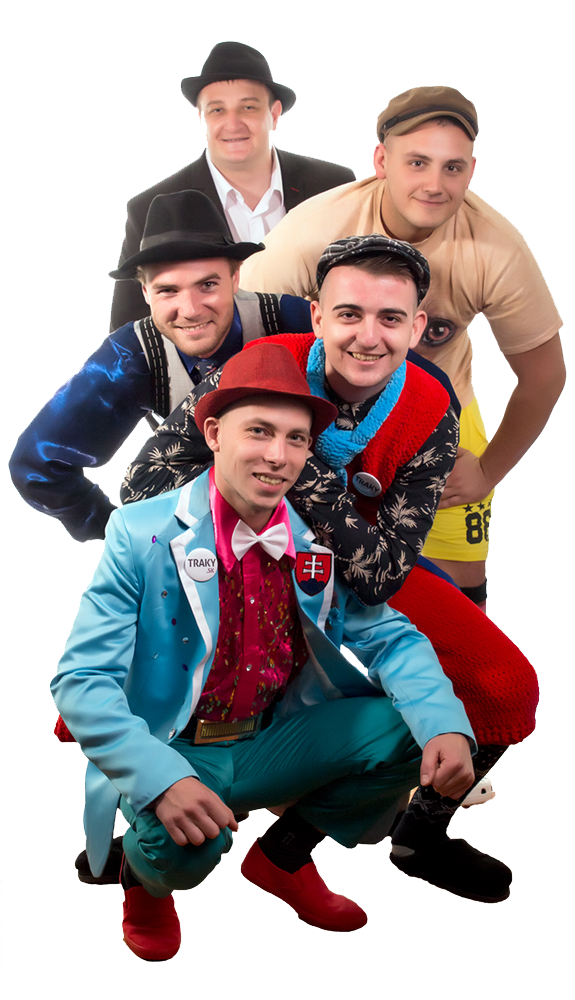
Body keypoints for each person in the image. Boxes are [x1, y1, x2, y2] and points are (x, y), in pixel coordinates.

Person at [118, 235, 537, 902]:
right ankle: (147, 828)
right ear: (317, 317)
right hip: (234, 555)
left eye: (389, 318)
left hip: (352, 565)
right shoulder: (260, 364)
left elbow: (381, 576)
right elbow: (139, 489)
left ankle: (371, 842)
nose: (367, 336)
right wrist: (268, 510)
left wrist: (301, 473)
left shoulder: (432, 409)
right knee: (189, 682)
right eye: (348, 314)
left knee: (506, 684)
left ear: (417, 327)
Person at [51, 342, 478, 961]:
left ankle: (284, 857)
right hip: (176, 744)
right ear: (213, 434)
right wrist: (161, 780)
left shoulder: (316, 539)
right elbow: (81, 678)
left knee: (416, 730)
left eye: (296, 439)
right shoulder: (139, 531)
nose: (278, 456)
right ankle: (144, 882)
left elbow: (389, 635)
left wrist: (444, 723)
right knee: (185, 856)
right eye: (259, 431)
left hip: (273, 738)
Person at [238, 85, 566, 608]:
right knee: (285, 570)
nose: (434, 185)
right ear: (381, 161)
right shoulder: (309, 234)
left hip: (437, 412)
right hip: (319, 408)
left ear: (472, 171)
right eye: (417, 163)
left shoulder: (496, 248)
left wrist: (488, 471)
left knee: (457, 595)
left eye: (452, 167)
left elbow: (545, 374)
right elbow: (246, 348)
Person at [9, 189, 315, 543]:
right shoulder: (132, 355)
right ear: (145, 292)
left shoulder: (288, 320)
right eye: (168, 290)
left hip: (306, 527)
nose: (191, 310)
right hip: (201, 540)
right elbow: (36, 464)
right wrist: (121, 535)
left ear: (235, 278)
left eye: (207, 285)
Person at [110, 41, 355, 331]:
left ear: (274, 114)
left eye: (248, 107)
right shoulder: (149, 207)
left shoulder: (332, 184)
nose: (233, 123)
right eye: (217, 110)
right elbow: (128, 331)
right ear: (200, 118)